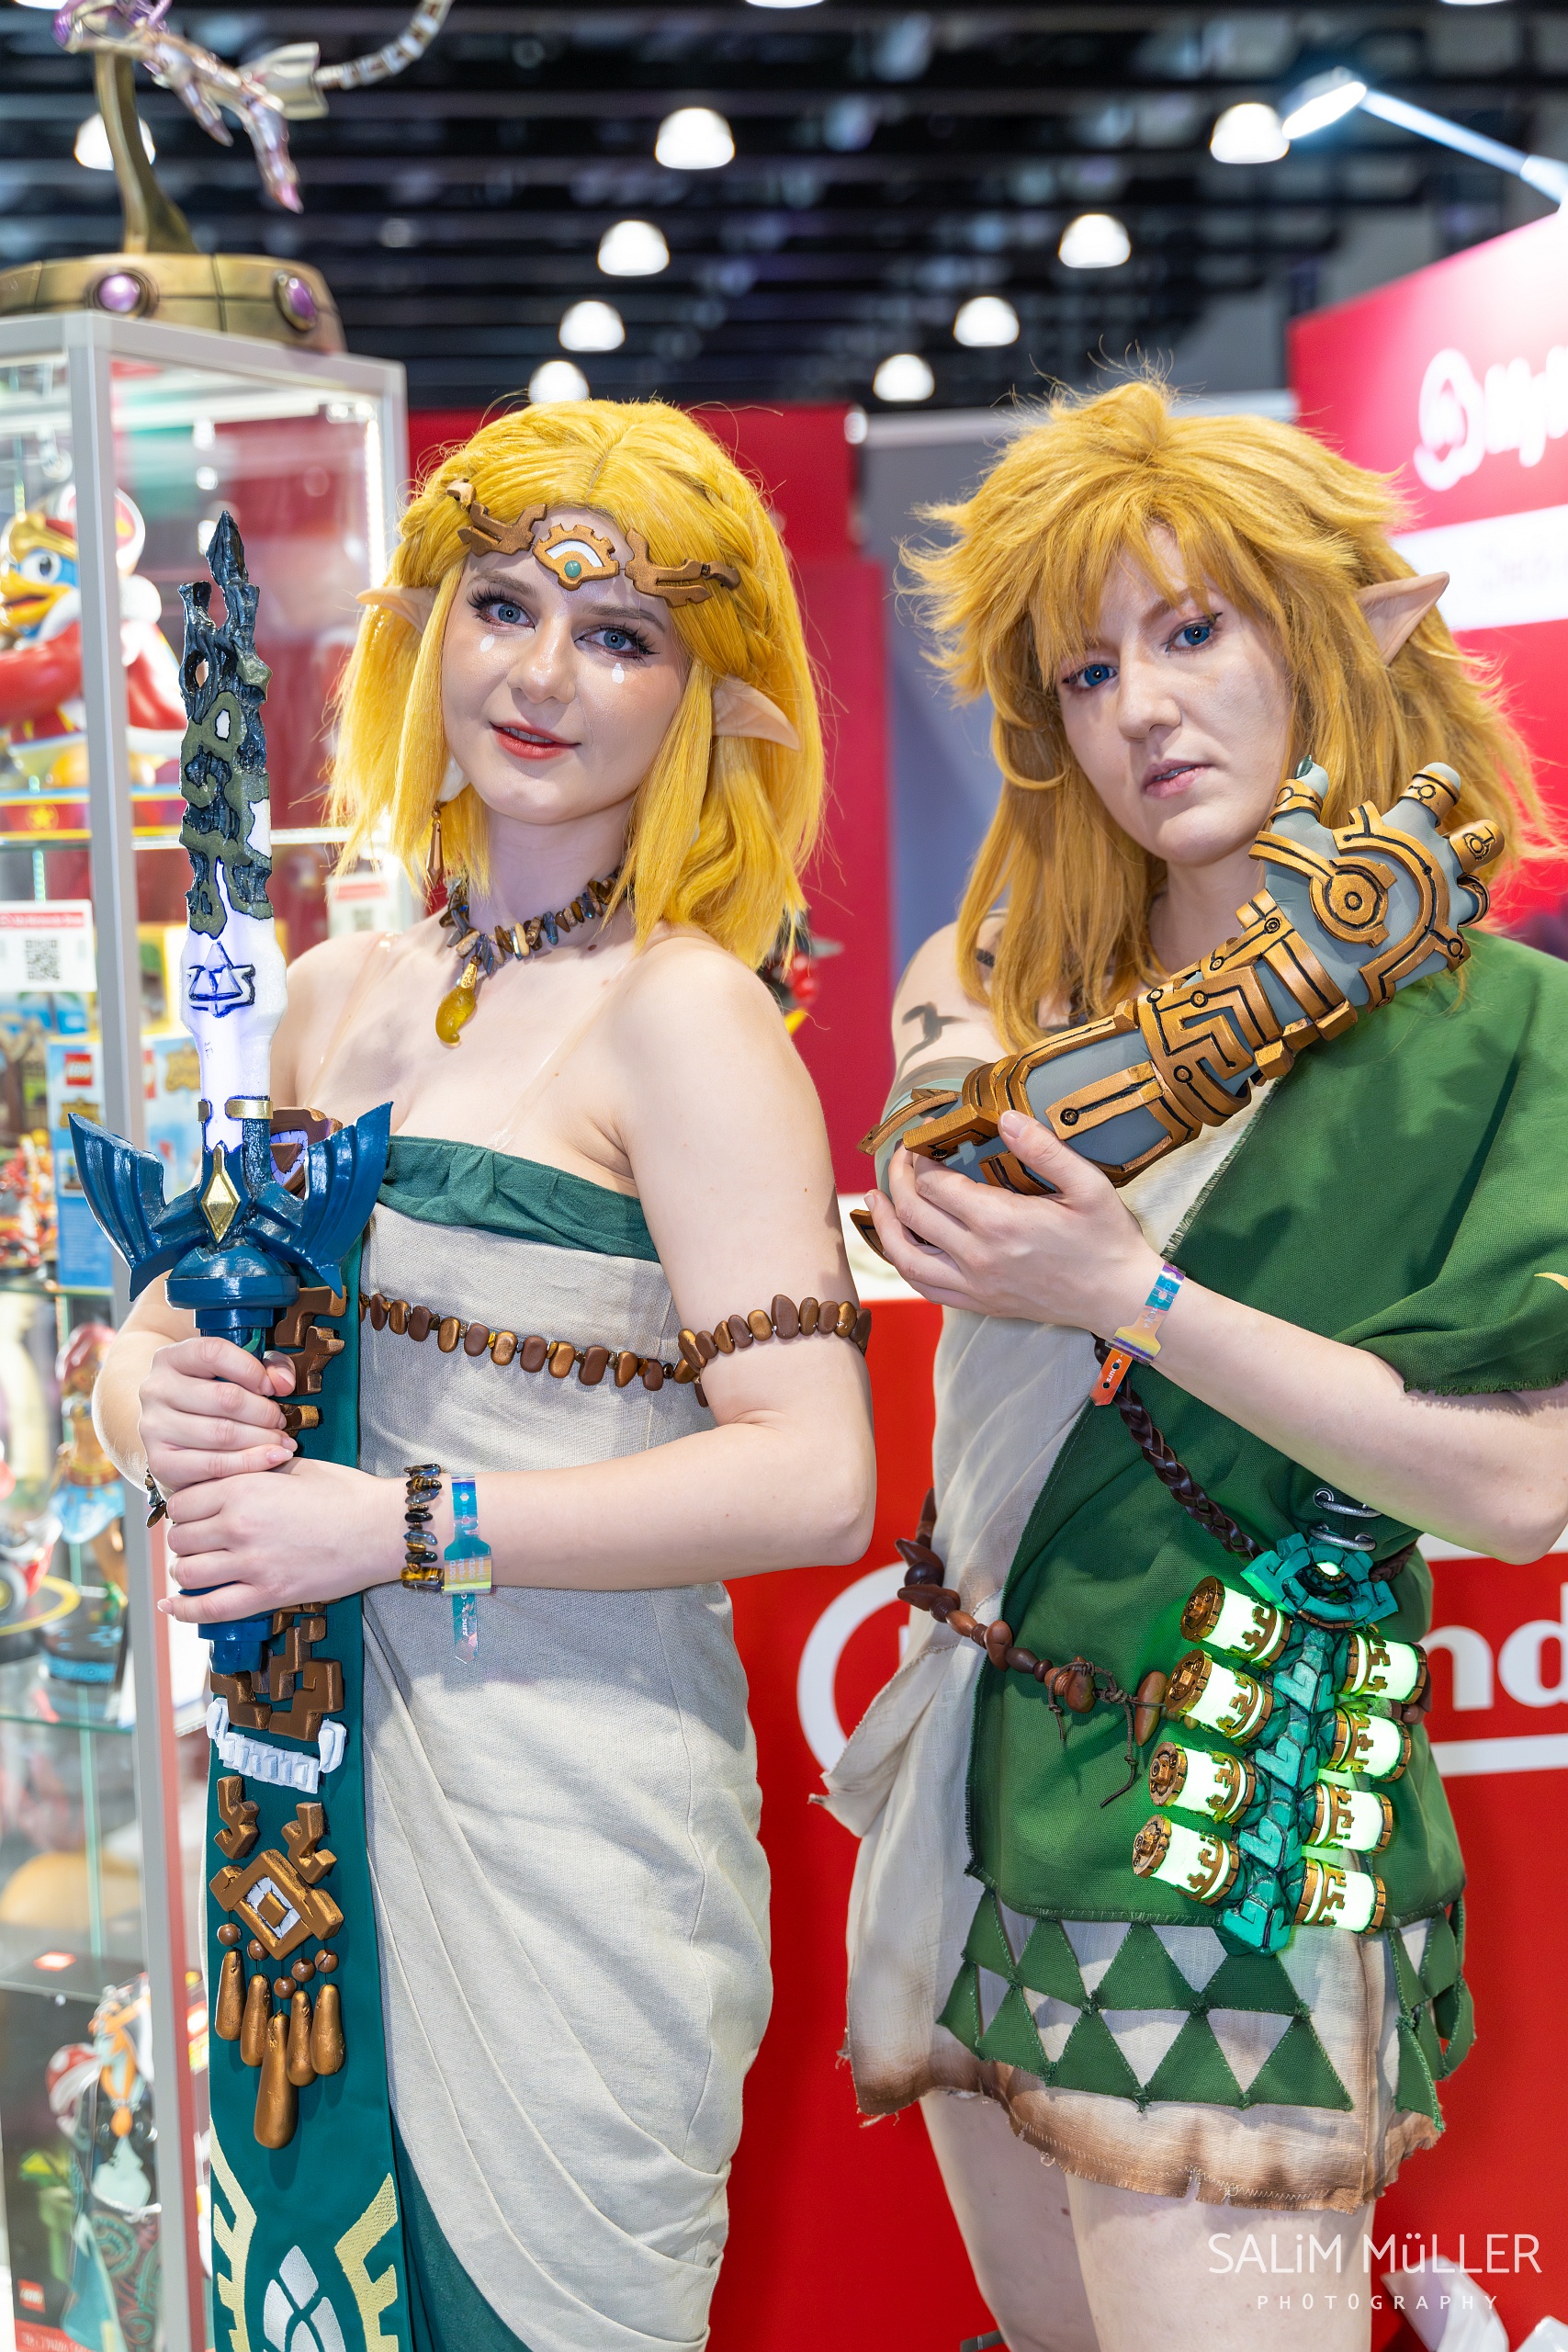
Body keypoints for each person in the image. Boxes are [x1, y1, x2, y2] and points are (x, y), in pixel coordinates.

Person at [94, 399, 876, 2352]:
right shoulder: (326, 994)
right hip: (299, 1816)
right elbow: (175, 1338)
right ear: (423, 631)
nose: (541, 675)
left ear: (706, 697)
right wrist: (140, 1403)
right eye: (505, 607)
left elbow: (813, 1476)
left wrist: (404, 1524)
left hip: (568, 1831)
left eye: (620, 636)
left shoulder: (687, 1019)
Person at [826, 379, 1568, 2352]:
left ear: (1336, 631)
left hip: (1241, 1810)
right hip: (983, 1786)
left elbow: (1518, 1487)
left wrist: (1125, 1290)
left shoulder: (1503, 1031)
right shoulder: (1001, 988)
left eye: (1191, 630)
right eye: (1088, 670)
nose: (1143, 708)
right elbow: (931, 1199)